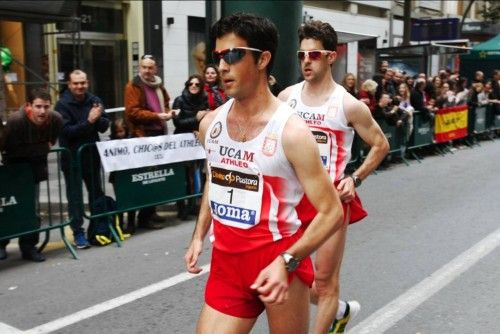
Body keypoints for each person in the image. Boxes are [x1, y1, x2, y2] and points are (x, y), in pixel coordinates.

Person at [184, 13, 344, 334]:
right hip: (227, 264)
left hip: (277, 258)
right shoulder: (210, 124)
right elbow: (216, 181)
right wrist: (198, 235)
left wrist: (288, 260)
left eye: (233, 55)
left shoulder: (292, 132)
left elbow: (332, 212)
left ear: (262, 59)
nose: (222, 66)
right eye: (219, 57)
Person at [278, 20, 389, 334]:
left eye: (313, 56)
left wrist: (355, 178)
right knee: (285, 271)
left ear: (331, 56)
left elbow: (381, 144)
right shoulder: (286, 98)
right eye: (302, 56)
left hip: (331, 201)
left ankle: (329, 317)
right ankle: (340, 311)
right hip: (291, 199)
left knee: (325, 282)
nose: (306, 62)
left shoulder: (348, 104)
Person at [0, 89, 63, 261]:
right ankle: (2, 243)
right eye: (38, 107)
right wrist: (40, 147)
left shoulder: (55, 119)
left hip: (35, 168)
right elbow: (7, 148)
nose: (42, 111)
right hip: (13, 169)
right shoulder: (16, 121)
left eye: (46, 107)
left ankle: (28, 247)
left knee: (31, 208)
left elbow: (51, 142)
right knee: (8, 207)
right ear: (29, 106)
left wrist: (38, 148)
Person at [56, 70, 109, 249]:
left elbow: (104, 126)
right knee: (75, 197)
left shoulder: (94, 100)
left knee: (96, 193)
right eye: (76, 83)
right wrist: (89, 121)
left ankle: (98, 228)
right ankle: (78, 232)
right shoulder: (62, 105)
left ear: (87, 83)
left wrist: (98, 118)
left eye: (83, 83)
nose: (80, 86)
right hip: (71, 159)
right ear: (70, 85)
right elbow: (67, 132)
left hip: (91, 156)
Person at [124, 54, 176, 229]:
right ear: (140, 68)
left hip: (158, 133)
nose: (147, 71)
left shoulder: (158, 84)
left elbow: (166, 101)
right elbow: (132, 112)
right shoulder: (133, 85)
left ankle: (150, 212)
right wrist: (156, 115)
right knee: (143, 178)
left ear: (155, 69)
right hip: (142, 136)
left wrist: (168, 112)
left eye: (150, 67)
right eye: (144, 67)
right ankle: (141, 218)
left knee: (156, 177)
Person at [172, 74, 209, 220]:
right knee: (183, 177)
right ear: (187, 86)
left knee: (196, 175)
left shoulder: (204, 99)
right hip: (182, 144)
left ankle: (192, 205)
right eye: (191, 84)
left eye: (197, 84)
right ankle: (181, 208)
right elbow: (178, 123)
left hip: (197, 142)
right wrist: (196, 118)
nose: (194, 86)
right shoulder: (179, 100)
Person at [108, 118, 137, 234]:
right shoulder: (111, 144)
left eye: (122, 131)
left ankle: (131, 223)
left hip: (129, 174)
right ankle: (118, 224)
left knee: (131, 199)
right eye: (117, 132)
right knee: (120, 199)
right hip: (116, 176)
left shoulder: (130, 141)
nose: (120, 135)